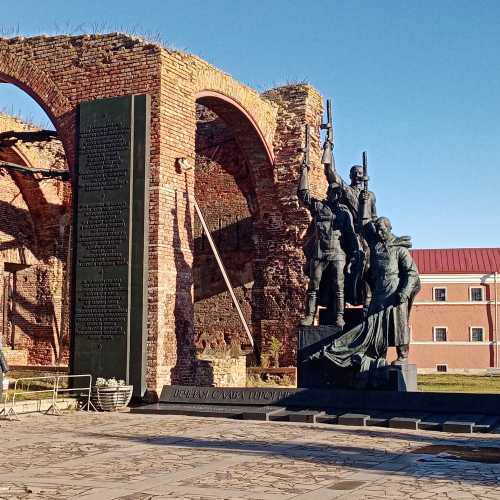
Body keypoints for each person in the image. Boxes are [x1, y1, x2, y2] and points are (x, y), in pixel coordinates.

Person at [297, 162, 360, 328]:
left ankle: (339, 316)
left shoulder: (344, 213)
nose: (335, 194)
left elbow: (351, 235)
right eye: (332, 191)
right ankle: (309, 316)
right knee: (313, 286)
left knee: (339, 286)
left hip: (338, 254)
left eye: (337, 192)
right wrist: (304, 172)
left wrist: (355, 254)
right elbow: (303, 194)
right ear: (328, 192)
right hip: (320, 252)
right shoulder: (319, 207)